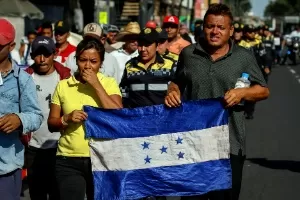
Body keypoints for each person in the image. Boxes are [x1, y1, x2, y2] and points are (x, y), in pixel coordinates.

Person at [164, 4, 269, 200]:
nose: (215, 31)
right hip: (194, 144)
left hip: (230, 145)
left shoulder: (243, 57)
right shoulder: (189, 54)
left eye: (221, 27)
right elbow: (178, 81)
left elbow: (263, 90)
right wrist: (172, 90)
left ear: (231, 30)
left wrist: (242, 93)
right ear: (203, 27)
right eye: (210, 26)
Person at [48, 38, 122, 200]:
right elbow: (52, 123)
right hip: (69, 159)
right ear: (76, 61)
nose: (87, 66)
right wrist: (66, 119)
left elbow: (118, 115)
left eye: (93, 61)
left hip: (102, 159)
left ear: (101, 63)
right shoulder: (63, 85)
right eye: (83, 60)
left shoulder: (108, 83)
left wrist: (96, 85)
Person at [0, 18, 43, 200]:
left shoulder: (23, 80)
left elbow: (36, 115)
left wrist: (19, 119)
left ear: (11, 46)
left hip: (7, 167)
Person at [24, 36, 71, 200]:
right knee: (37, 195)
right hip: (33, 148)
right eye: (38, 54)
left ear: (54, 54)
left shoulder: (66, 77)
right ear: (31, 55)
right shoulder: (25, 78)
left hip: (60, 148)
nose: (42, 59)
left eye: (46, 54)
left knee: (58, 194)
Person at [120, 27, 177, 108]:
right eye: (140, 45)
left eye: (147, 45)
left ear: (157, 46)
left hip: (163, 117)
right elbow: (124, 92)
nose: (143, 49)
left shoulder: (171, 65)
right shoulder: (129, 65)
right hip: (137, 117)